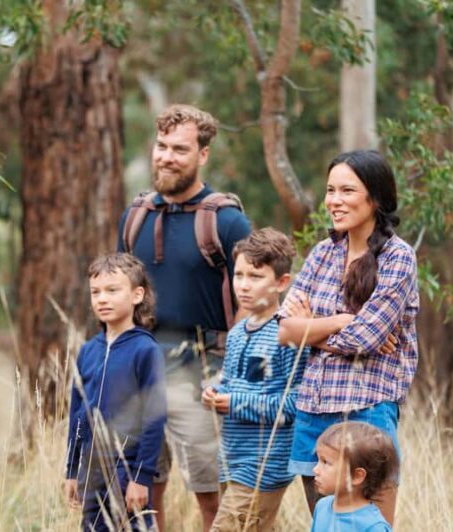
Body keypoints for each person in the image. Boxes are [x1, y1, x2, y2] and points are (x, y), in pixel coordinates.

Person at [117, 104, 252, 531]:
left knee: (210, 491)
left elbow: (252, 299)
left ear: (203, 155)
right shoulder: (135, 217)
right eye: (161, 146)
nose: (167, 157)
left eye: (180, 148)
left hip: (205, 368)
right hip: (142, 365)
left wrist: (235, 371)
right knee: (141, 485)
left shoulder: (227, 221)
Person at [277, 150, 419, 525]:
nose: (334, 201)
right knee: (325, 523)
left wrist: (313, 330)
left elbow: (367, 338)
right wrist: (342, 320)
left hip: (367, 410)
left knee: (368, 526)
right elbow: (285, 330)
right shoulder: (324, 253)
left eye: (347, 191)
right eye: (330, 190)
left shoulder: (397, 257)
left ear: (375, 198)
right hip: (313, 410)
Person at [202, 228, 309, 532]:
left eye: (256, 276)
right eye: (239, 275)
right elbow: (233, 385)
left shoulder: (287, 333)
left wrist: (234, 403)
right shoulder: (237, 334)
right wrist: (215, 393)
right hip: (231, 460)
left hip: (264, 464)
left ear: (281, 283)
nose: (244, 286)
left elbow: (293, 404)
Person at [64, 253, 166, 531]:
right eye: (95, 292)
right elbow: (77, 415)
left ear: (137, 295)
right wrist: (72, 470)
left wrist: (142, 477)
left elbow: (154, 419)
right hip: (91, 468)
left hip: (127, 469)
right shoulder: (88, 351)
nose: (102, 299)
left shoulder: (146, 350)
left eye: (112, 290)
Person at [311, 421, 399, 532]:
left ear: (356, 476)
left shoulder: (373, 526)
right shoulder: (321, 507)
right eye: (318, 460)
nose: (315, 470)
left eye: (326, 462)